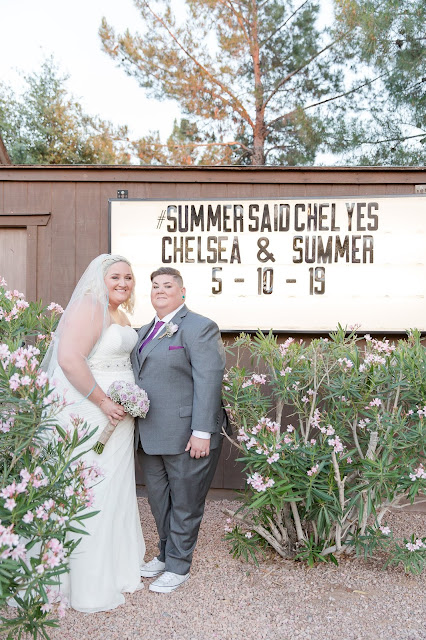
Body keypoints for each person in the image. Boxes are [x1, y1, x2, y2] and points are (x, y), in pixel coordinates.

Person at [42, 254, 145, 612]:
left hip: (118, 416)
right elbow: (70, 358)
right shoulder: (89, 307)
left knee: (113, 487)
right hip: (92, 411)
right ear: (99, 280)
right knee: (91, 489)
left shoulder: (121, 314)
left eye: (128, 277)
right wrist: (103, 401)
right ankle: (86, 582)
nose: (122, 282)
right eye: (115, 276)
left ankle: (114, 570)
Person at [131, 266, 228, 594]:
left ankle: (178, 566)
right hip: (150, 434)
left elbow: (208, 378)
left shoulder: (199, 327)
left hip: (189, 435)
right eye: (155, 285)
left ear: (181, 292)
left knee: (186, 502)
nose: (160, 289)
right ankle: (164, 553)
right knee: (159, 500)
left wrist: (202, 430)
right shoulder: (144, 331)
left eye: (167, 285)